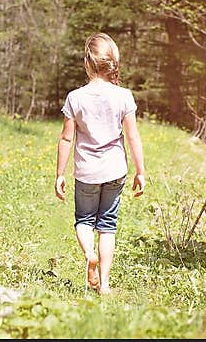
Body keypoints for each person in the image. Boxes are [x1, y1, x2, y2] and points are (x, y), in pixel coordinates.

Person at [54, 32, 146, 296]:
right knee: (108, 225)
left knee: (84, 220)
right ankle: (104, 285)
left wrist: (60, 174)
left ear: (87, 63)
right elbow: (133, 137)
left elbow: (66, 138)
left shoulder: (75, 98)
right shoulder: (124, 96)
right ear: (112, 63)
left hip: (86, 172)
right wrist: (141, 171)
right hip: (115, 171)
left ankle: (89, 254)